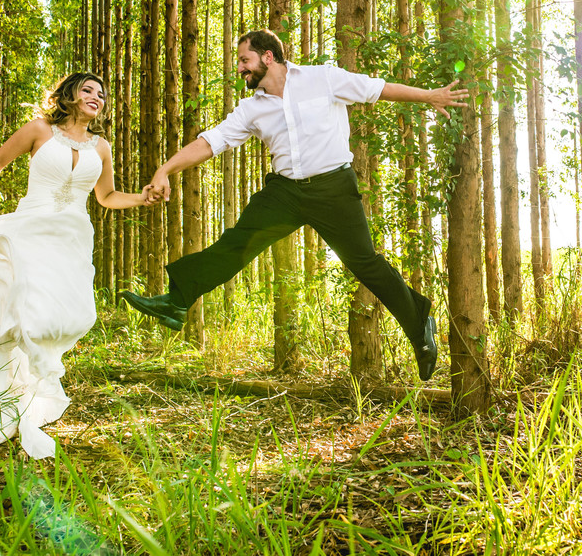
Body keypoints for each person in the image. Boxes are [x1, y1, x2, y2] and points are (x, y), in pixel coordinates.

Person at [123, 29, 468, 382]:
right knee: (238, 242)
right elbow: (212, 142)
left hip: (333, 187)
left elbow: (377, 88)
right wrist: (165, 169)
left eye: (245, 60)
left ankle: (418, 323)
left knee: (364, 262)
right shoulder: (252, 108)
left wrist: (429, 96)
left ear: (268, 57)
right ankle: (178, 301)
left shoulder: (322, 78)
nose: (240, 68)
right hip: (286, 192)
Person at [0, 72, 153, 459]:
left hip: (71, 236)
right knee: (25, 311)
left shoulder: (102, 147)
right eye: (88, 90)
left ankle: (18, 386)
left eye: (102, 94)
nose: (97, 97)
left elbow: (108, 196)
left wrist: (141, 198)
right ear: (70, 94)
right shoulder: (38, 130)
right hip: (31, 228)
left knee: (78, 316)